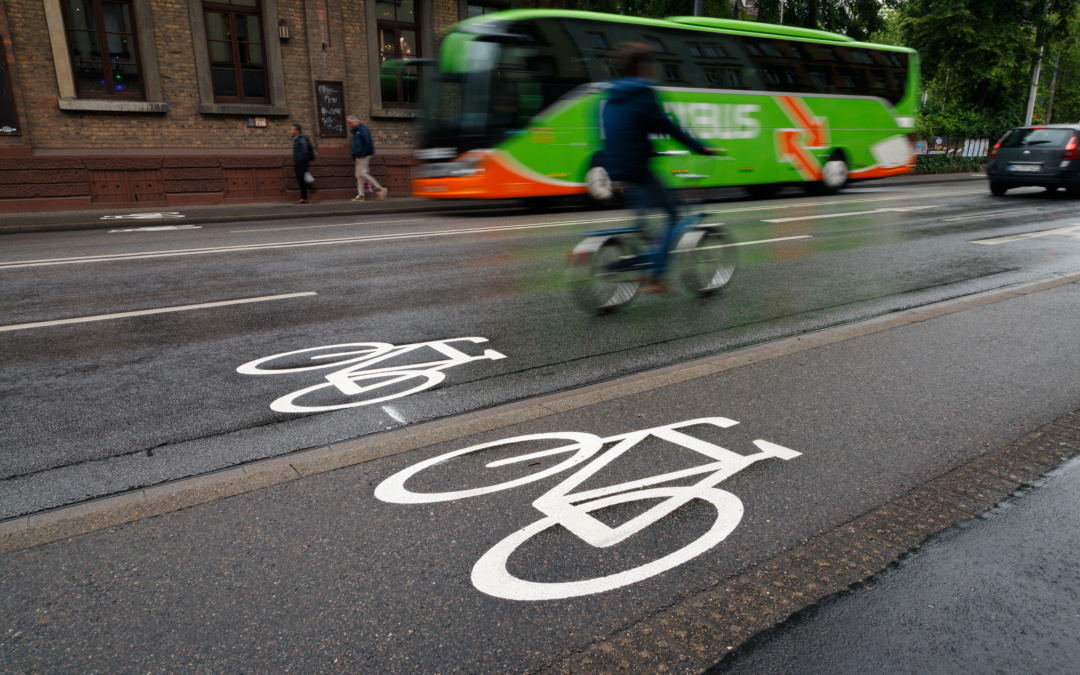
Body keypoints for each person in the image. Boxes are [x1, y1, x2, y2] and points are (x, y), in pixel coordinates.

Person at [601, 43, 718, 292]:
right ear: (640, 66)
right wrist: (700, 148)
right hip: (637, 168)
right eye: (651, 66)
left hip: (616, 169)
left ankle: (645, 243)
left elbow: (623, 130)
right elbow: (668, 126)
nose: (653, 71)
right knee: (674, 214)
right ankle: (656, 276)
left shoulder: (611, 95)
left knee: (644, 218)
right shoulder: (643, 91)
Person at [347, 115, 387, 201]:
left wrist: (363, 153)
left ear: (355, 121)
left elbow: (367, 141)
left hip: (363, 155)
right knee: (358, 175)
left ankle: (380, 188)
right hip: (358, 156)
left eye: (350, 123)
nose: (349, 125)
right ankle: (361, 195)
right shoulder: (355, 130)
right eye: (348, 123)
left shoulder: (362, 129)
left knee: (363, 174)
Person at [290, 123, 316, 204]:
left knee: (302, 180)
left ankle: (307, 195)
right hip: (299, 162)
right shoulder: (297, 139)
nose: (291, 131)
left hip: (301, 162)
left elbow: (304, 151)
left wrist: (300, 160)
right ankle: (306, 195)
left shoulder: (302, 139)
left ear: (297, 131)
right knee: (302, 179)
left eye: (292, 129)